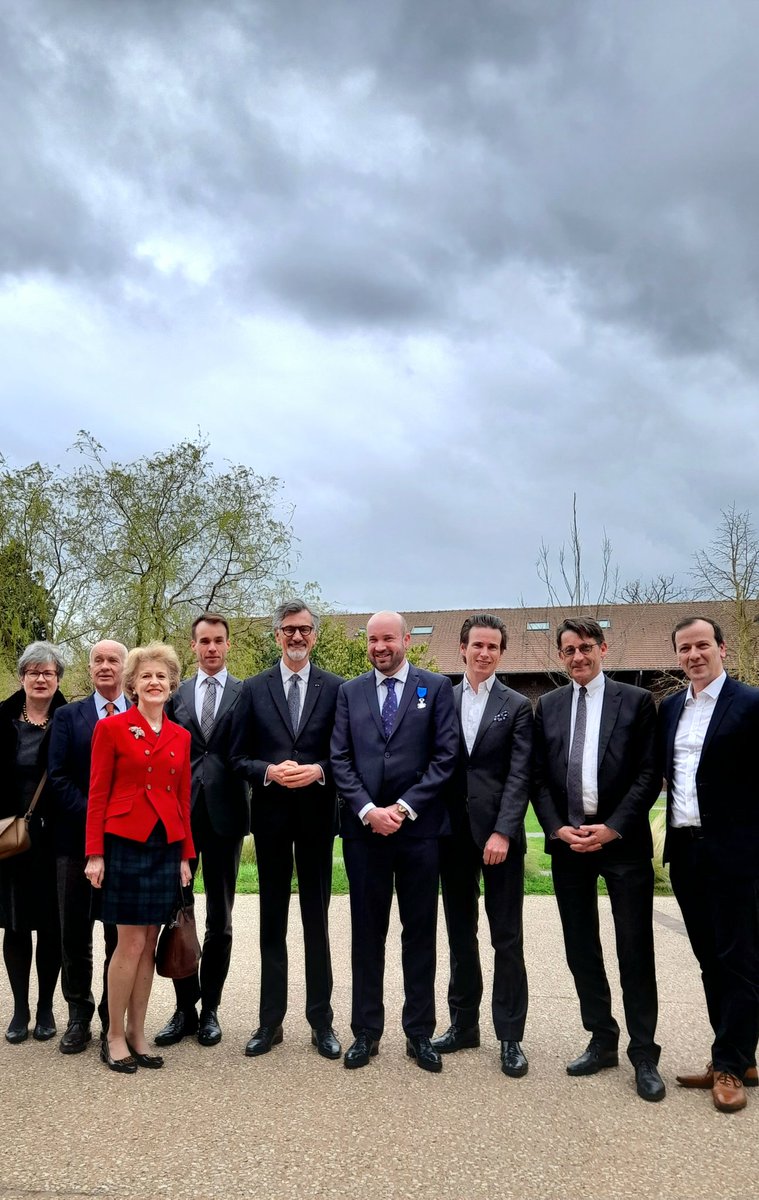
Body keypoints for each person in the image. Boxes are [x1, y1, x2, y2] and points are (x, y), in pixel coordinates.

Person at [532, 617, 664, 1102]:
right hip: (569, 843)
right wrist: (555, 827)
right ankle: (602, 1038)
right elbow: (538, 778)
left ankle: (644, 1052)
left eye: (585, 648)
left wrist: (614, 827)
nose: (577, 657)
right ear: (561, 656)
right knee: (580, 946)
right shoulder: (547, 705)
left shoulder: (635, 702)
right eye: (568, 651)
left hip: (621, 843)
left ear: (602, 648)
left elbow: (650, 773)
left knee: (634, 947)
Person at [331, 611, 458, 1072]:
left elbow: (446, 757)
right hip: (365, 835)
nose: (380, 647)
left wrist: (403, 809)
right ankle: (366, 1032)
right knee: (367, 934)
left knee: (419, 933)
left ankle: (419, 1033)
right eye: (372, 640)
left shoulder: (437, 688)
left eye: (388, 638)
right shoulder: (350, 692)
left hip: (419, 833)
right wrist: (368, 810)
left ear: (406, 639)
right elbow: (339, 757)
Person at [230, 601, 343, 1059]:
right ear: (276, 635)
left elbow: (349, 755)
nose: (296, 637)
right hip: (272, 821)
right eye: (288, 630)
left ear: (315, 635)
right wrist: (268, 772)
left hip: (318, 818)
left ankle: (322, 1023)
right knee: (271, 924)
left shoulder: (337, 688)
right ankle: (269, 1022)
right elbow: (237, 757)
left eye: (304, 630)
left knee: (316, 923)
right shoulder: (253, 689)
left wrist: (319, 770)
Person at [659, 616, 759, 1113]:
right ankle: (740, 1053)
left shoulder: (750, 703)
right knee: (708, 959)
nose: (694, 654)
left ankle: (728, 1064)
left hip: (737, 855)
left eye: (702, 645)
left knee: (739, 959)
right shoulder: (672, 707)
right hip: (686, 851)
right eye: (684, 648)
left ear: (721, 647)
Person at [85, 643, 194, 1073]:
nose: (154, 682)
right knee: (129, 942)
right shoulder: (112, 729)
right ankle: (112, 1035)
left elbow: (183, 800)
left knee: (149, 944)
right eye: (146, 676)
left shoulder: (181, 736)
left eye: (161, 677)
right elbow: (97, 795)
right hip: (123, 843)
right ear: (132, 685)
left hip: (165, 846)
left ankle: (137, 1032)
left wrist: (185, 855)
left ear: (171, 686)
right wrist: (94, 853)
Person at [432, 614, 533, 1078]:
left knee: (506, 937)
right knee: (460, 934)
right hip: (451, 836)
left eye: (493, 647)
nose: (484, 653)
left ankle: (510, 1035)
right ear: (463, 648)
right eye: (477, 645)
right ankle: (463, 1024)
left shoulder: (516, 706)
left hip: (498, 839)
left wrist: (504, 831)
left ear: (501, 653)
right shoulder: (441, 699)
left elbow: (519, 775)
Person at [154, 614, 250, 1049]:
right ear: (193, 646)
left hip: (227, 818)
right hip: (183, 817)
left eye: (218, 641)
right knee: (180, 914)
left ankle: (210, 1008)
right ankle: (184, 1009)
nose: (211, 648)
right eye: (204, 641)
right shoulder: (178, 696)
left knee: (220, 919)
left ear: (228, 645)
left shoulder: (245, 694)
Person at [48, 639, 128, 1053]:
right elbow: (57, 776)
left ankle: (113, 1020)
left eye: (113, 660)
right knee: (74, 931)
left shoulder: (142, 715)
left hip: (127, 844)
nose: (105, 666)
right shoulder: (68, 716)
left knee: (119, 935)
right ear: (89, 667)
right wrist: (97, 816)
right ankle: (78, 1014)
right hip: (75, 841)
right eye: (98, 660)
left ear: (124, 666)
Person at [0, 641, 67, 1044]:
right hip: (8, 837)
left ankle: (45, 1008)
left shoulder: (71, 718)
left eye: (49, 673)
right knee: (14, 925)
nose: (41, 679)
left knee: (51, 927)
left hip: (54, 838)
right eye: (33, 672)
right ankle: (20, 1008)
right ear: (22, 677)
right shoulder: (1, 720)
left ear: (58, 679)